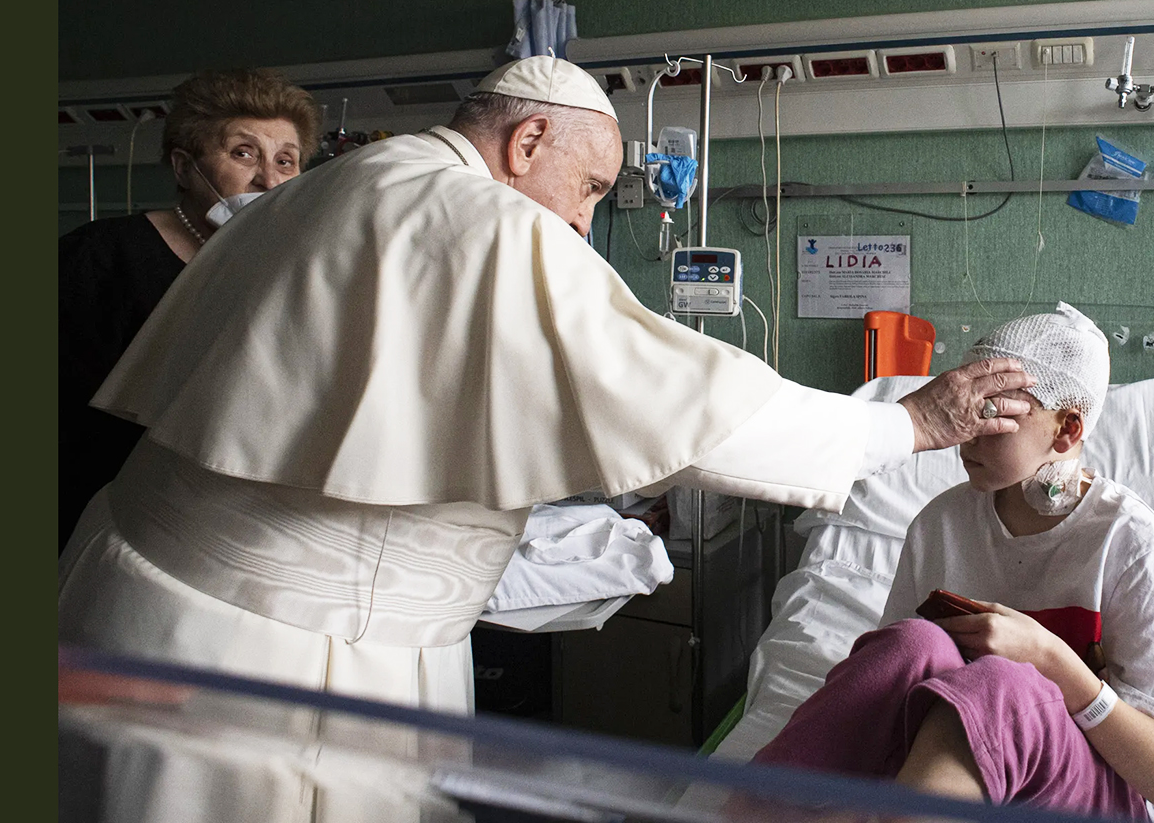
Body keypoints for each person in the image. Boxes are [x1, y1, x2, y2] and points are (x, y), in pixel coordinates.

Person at [57, 56, 1034, 716]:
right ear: (526, 144)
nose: (578, 223)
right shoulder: (481, 215)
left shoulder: (342, 182)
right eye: (590, 188)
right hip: (265, 653)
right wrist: (907, 422)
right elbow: (683, 401)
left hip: (151, 597)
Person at [748, 303, 1154, 819]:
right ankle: (755, 808)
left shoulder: (1131, 543)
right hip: (952, 772)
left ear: (1066, 431)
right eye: (968, 406)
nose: (965, 429)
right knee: (908, 644)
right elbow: (896, 692)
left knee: (999, 682)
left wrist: (1052, 662)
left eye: (993, 414)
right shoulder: (941, 524)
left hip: (1080, 792)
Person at [58, 68, 320, 549]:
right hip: (96, 510)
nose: (268, 178)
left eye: (286, 161)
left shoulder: (293, 272)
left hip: (215, 525)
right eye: (244, 154)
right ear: (184, 168)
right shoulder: (98, 258)